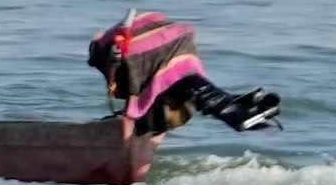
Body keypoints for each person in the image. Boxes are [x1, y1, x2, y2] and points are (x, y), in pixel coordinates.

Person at [89, 10, 281, 137]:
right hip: (173, 46)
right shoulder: (167, 86)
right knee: (189, 85)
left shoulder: (147, 89)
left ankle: (234, 109)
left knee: (185, 87)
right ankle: (233, 104)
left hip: (146, 55)